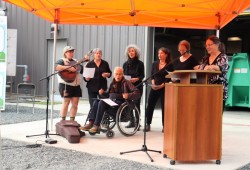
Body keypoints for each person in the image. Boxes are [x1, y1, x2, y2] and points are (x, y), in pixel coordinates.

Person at [80, 67, 141, 133]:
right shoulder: (113, 82)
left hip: (119, 105)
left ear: (122, 74)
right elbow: (108, 95)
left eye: (120, 74)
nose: (118, 76)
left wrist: (128, 95)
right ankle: (91, 123)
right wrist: (103, 93)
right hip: (111, 103)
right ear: (114, 75)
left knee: (101, 102)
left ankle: (96, 125)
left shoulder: (126, 82)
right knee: (96, 101)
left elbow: (137, 92)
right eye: (116, 74)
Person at [194, 35, 229, 110]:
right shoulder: (205, 58)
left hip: (218, 91)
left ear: (217, 45)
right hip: (206, 90)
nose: (207, 47)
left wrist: (213, 67)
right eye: (206, 45)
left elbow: (224, 67)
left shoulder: (222, 56)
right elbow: (201, 68)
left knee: (216, 114)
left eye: (209, 45)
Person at [144, 47, 174, 132]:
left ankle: (165, 126)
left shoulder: (170, 64)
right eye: (158, 53)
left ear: (166, 55)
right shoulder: (155, 63)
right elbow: (152, 75)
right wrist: (153, 84)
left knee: (164, 107)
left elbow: (170, 77)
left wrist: (162, 85)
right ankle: (148, 124)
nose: (159, 55)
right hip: (154, 87)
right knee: (150, 105)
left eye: (161, 53)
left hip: (164, 88)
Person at [55, 46, 86, 121]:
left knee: (75, 104)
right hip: (66, 85)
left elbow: (82, 69)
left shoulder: (76, 61)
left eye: (72, 52)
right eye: (70, 52)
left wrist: (85, 62)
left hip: (76, 85)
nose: (72, 53)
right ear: (65, 53)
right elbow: (56, 67)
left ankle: (72, 121)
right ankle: (63, 121)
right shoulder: (61, 60)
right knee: (66, 103)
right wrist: (69, 68)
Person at [122, 44, 145, 128]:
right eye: (129, 51)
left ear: (136, 52)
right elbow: (123, 75)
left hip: (137, 86)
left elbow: (142, 75)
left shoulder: (140, 64)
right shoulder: (125, 64)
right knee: (129, 104)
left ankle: (138, 123)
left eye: (133, 51)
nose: (131, 53)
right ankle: (132, 122)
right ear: (128, 53)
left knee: (136, 104)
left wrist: (136, 79)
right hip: (128, 86)